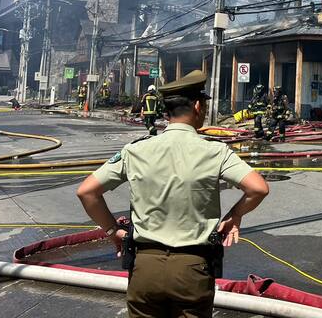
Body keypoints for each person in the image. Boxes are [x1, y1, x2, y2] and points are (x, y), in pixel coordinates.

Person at [76, 70, 269, 318]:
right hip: (193, 269)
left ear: (167, 112)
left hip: (144, 267)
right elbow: (258, 188)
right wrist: (234, 215)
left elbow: (87, 192)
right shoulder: (215, 152)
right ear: (198, 106)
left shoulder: (136, 150)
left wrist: (114, 232)